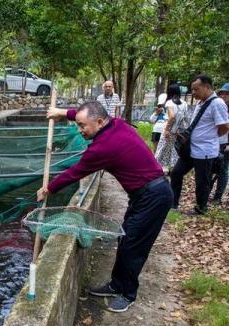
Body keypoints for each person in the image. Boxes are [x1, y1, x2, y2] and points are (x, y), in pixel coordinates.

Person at [38, 101, 173, 313]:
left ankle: (128, 294)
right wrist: (61, 113)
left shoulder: (102, 148)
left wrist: (49, 189)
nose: (79, 130)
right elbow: (84, 114)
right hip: (144, 194)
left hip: (154, 196)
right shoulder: (114, 123)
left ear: (100, 122)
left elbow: (76, 172)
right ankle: (116, 284)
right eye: (78, 124)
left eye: (82, 126)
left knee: (133, 246)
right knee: (125, 238)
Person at [170, 75, 229, 215]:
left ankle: (201, 207)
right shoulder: (201, 103)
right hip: (191, 149)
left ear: (207, 87)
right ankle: (173, 203)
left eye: (196, 89)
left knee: (202, 181)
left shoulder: (217, 103)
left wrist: (210, 138)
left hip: (205, 150)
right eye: (192, 89)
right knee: (177, 172)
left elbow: (224, 126)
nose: (193, 92)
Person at [155, 85, 189, 174]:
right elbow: (185, 119)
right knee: (173, 152)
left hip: (168, 130)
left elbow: (172, 116)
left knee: (160, 150)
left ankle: (155, 171)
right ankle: (172, 172)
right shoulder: (184, 103)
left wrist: (166, 130)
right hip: (176, 132)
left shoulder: (169, 102)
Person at [210, 83, 229, 205]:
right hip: (214, 142)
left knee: (223, 171)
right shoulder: (218, 106)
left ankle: (218, 196)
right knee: (211, 168)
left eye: (226, 94)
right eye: (222, 93)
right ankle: (206, 193)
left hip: (225, 144)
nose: (223, 96)